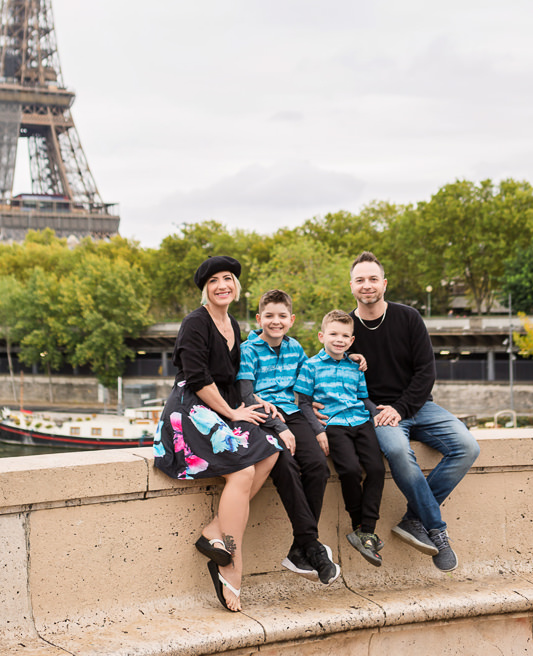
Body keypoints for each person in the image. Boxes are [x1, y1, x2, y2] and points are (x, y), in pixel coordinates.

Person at [153, 255, 281, 612]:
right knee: (241, 471)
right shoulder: (195, 323)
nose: (222, 285)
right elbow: (197, 379)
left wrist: (258, 404)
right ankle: (232, 564)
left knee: (270, 448)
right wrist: (232, 413)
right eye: (213, 281)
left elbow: (238, 374)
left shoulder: (233, 323)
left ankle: (214, 532)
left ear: (235, 286)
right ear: (205, 290)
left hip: (220, 408)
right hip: (190, 411)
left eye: (227, 279)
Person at [347, 251, 480, 572]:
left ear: (384, 283)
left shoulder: (408, 317)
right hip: (376, 411)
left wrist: (401, 407)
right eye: (360, 280)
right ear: (351, 286)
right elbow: (338, 381)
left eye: (373, 279)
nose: (367, 285)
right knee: (397, 450)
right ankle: (436, 529)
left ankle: (413, 519)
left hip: (418, 406)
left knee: (467, 447)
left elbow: (426, 371)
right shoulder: (344, 327)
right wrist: (377, 409)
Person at [236, 289, 340, 584]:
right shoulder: (249, 350)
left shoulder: (295, 349)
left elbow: (314, 376)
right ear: (259, 318)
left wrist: (349, 357)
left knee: (318, 466)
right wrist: (278, 426)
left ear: (291, 320)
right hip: (261, 417)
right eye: (269, 316)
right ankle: (311, 545)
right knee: (286, 466)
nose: (276, 321)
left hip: (293, 414)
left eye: (282, 316)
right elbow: (245, 394)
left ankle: (300, 547)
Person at [295, 309, 386, 567]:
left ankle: (367, 529)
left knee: (377, 469)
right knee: (349, 470)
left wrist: (376, 414)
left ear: (352, 340)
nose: (339, 339)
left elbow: (364, 397)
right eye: (334, 334)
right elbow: (304, 403)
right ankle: (359, 525)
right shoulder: (310, 366)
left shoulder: (355, 365)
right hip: (333, 424)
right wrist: (318, 430)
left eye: (345, 335)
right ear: (322, 335)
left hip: (360, 421)